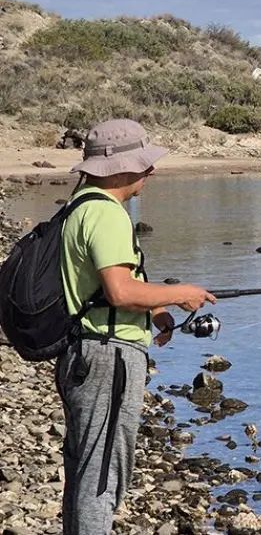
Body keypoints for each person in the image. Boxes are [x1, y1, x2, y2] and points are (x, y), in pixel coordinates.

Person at [57, 119, 216, 535]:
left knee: (85, 470)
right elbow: (120, 291)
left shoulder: (80, 205)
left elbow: (105, 287)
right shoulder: (107, 214)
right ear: (121, 166)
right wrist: (178, 293)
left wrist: (157, 312)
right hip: (108, 358)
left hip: (84, 351)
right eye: (144, 163)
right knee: (104, 476)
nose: (151, 171)